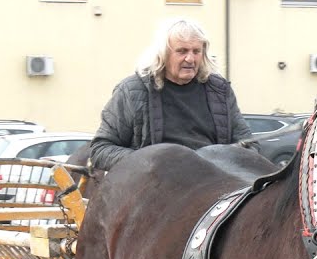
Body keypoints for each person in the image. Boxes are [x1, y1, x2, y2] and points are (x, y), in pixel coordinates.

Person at [89, 18, 254, 171]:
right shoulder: (132, 90)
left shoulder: (219, 90)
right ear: (163, 54)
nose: (190, 59)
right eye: (182, 51)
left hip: (216, 181)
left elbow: (249, 145)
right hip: (155, 183)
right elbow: (101, 150)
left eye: (196, 51)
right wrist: (149, 162)